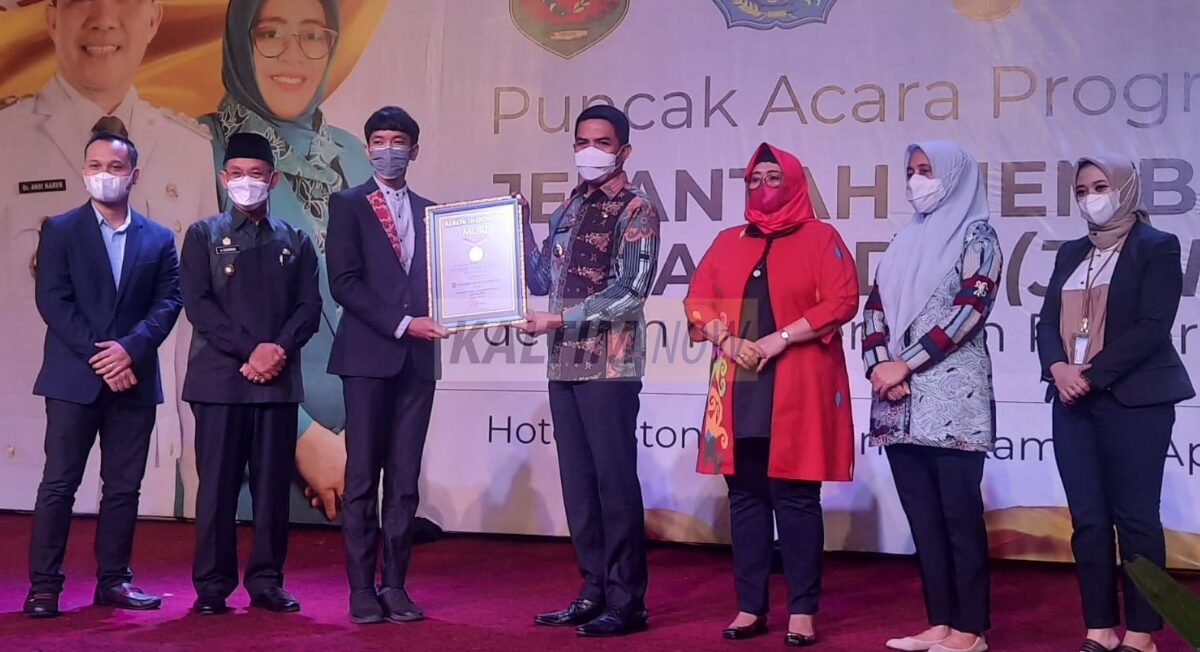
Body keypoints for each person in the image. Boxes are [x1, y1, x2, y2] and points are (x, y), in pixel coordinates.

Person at [0, 0, 216, 521]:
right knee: (48, 517)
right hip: (26, 438)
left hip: (147, 426)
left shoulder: (189, 148)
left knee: (127, 518)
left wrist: (196, 470)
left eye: (126, 0)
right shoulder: (6, 138)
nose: (103, 17)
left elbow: (191, 319)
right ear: (52, 17)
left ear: (154, 18)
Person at [196, 0, 372, 524]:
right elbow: (202, 314)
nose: (293, 54)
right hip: (260, 433)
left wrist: (365, 428)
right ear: (240, 40)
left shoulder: (351, 155)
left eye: (313, 35)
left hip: (355, 451)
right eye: (270, 33)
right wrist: (303, 435)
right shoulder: (199, 148)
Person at [684, 143, 858, 647]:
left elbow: (842, 300)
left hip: (797, 379)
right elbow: (696, 300)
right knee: (744, 496)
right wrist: (726, 339)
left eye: (774, 178)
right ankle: (750, 606)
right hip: (738, 381)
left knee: (796, 496)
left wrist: (780, 338)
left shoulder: (821, 237)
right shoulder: (728, 240)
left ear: (795, 183)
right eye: (755, 179)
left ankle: (802, 611)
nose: (763, 187)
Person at [1036, 157, 1194, 652]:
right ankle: (1099, 628)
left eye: (1101, 186)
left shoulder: (1157, 245)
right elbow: (1046, 322)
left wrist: (1091, 374)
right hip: (1071, 400)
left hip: (1135, 400)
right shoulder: (1071, 251)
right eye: (1082, 190)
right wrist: (1057, 368)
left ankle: (1142, 632)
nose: (1091, 197)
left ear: (1125, 188)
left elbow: (1153, 326)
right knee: (1087, 519)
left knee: (1136, 518)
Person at [25, 131, 182, 618]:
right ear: (83, 171)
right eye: (94, 165)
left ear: (133, 175)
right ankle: (44, 587)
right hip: (73, 380)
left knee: (123, 488)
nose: (103, 175)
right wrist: (103, 357)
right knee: (59, 485)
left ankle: (114, 581)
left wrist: (129, 351)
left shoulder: (159, 237)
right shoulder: (60, 229)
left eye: (114, 167)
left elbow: (169, 301)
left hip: (134, 381)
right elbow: (53, 300)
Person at [520, 105, 661, 638]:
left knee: (613, 482)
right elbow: (542, 278)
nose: (590, 151)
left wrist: (559, 319)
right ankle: (593, 588)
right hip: (563, 363)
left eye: (602, 143)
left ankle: (627, 601)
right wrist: (518, 228)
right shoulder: (569, 207)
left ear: (624, 150)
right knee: (578, 484)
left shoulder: (637, 209)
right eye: (582, 141)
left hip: (610, 365)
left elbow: (631, 291)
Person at [861, 141, 1001, 652]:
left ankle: (971, 629)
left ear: (955, 176)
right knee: (923, 519)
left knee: (959, 519)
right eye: (912, 171)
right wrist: (879, 366)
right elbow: (873, 310)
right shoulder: (903, 240)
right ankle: (940, 622)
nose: (918, 180)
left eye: (928, 170)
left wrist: (906, 363)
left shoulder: (978, 236)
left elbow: (969, 312)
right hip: (897, 402)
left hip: (952, 402)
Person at [180, 132, 321, 616]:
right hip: (218, 383)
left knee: (271, 489)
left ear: (273, 179)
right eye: (237, 174)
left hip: (276, 385)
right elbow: (198, 305)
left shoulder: (295, 239)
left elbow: (308, 308)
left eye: (256, 174)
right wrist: (250, 351)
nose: (246, 182)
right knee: (216, 489)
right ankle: (212, 585)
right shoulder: (202, 235)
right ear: (224, 178)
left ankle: (266, 581)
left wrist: (275, 351)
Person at [325, 106, 446, 625]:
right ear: (367, 148)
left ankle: (395, 585)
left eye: (398, 140)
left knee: (404, 480)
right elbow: (343, 282)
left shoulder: (433, 213)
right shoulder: (348, 204)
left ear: (413, 150)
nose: (388, 149)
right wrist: (402, 323)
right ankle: (360, 588)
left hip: (418, 363)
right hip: (367, 358)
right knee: (360, 479)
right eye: (379, 140)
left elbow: (450, 281)